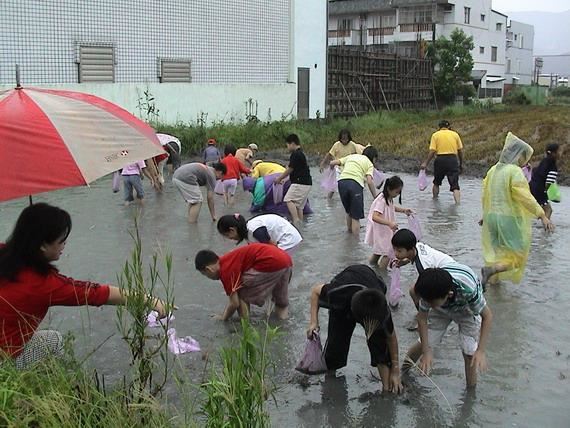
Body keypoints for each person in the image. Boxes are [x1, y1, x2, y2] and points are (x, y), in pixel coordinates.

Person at [0, 203, 167, 369]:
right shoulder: (43, 284)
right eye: (61, 240)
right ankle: (62, 389)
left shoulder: (4, 253)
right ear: (43, 245)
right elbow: (96, 293)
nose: (64, 244)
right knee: (53, 340)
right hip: (4, 361)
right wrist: (149, 300)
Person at [307, 265, 403, 393]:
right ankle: (330, 378)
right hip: (346, 294)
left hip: (371, 283)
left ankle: (386, 388)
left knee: (379, 344)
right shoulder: (337, 293)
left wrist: (395, 371)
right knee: (336, 343)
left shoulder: (381, 309)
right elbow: (315, 291)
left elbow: (391, 338)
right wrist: (314, 322)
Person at [480, 132, 554, 286]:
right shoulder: (514, 172)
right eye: (523, 156)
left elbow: (485, 194)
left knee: (497, 254)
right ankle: (490, 272)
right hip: (508, 219)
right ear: (517, 155)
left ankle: (493, 292)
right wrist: (542, 215)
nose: (523, 161)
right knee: (518, 257)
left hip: (491, 217)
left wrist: (485, 215)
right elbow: (525, 197)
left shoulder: (493, 170)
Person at [403, 265, 493, 388]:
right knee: (425, 342)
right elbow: (422, 318)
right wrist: (426, 351)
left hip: (467, 309)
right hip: (440, 308)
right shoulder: (429, 292)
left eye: (431, 303)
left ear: (448, 294)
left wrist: (481, 351)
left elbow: (487, 316)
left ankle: (470, 392)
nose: (428, 305)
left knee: (470, 352)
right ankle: (402, 373)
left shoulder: (468, 290)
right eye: (426, 302)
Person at [195, 243, 292, 320]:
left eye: (205, 274)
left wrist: (223, 317)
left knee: (240, 292)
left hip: (271, 262)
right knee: (281, 302)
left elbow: (234, 303)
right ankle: (283, 323)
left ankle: (245, 327)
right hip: (286, 260)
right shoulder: (228, 259)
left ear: (208, 269)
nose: (208, 277)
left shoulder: (226, 271)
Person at [391, 228, 456, 330]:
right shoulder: (417, 246)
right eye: (394, 249)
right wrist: (405, 261)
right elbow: (412, 256)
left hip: (448, 277)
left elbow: (429, 285)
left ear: (410, 249)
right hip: (449, 270)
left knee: (416, 292)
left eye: (399, 251)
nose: (396, 254)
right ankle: (424, 315)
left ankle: (426, 318)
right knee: (415, 291)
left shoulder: (423, 265)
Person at [364, 176, 413, 269]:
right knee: (388, 253)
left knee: (378, 253)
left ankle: (370, 268)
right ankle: (382, 274)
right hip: (382, 232)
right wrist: (389, 223)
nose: (398, 194)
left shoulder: (388, 198)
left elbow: (390, 208)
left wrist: (404, 210)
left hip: (383, 231)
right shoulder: (381, 200)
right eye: (397, 192)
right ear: (389, 189)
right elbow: (375, 216)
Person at [330, 146, 378, 234]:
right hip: (355, 184)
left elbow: (333, 162)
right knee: (356, 217)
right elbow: (369, 181)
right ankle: (355, 244)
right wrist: (375, 196)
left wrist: (331, 170)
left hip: (342, 183)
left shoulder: (352, 156)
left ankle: (349, 237)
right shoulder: (369, 164)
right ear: (374, 158)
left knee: (349, 212)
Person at [420, 120, 463, 204]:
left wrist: (425, 163)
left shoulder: (435, 135)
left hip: (440, 159)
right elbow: (460, 151)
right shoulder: (455, 134)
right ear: (449, 127)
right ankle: (458, 204)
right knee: (455, 186)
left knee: (436, 182)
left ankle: (435, 201)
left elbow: (432, 151)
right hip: (452, 159)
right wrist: (461, 164)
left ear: (439, 127)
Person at [217, 213, 302, 254]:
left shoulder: (255, 230)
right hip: (285, 237)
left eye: (228, 235)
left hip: (288, 239)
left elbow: (272, 248)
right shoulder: (247, 231)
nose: (230, 239)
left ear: (232, 230)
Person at [275, 134, 312, 224]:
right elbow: (295, 171)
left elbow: (290, 169)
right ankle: (300, 226)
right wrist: (285, 179)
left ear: (292, 143)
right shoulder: (300, 153)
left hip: (300, 183)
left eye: (287, 145)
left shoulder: (295, 154)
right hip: (307, 183)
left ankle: (295, 221)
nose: (287, 147)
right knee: (299, 206)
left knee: (288, 199)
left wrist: (279, 178)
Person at [320, 129, 359, 199]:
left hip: (348, 168)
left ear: (349, 138)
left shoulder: (352, 145)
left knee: (348, 184)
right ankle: (329, 200)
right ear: (340, 138)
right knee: (334, 186)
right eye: (343, 138)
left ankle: (347, 198)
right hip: (337, 168)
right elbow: (329, 154)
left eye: (346, 138)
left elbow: (357, 155)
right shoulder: (336, 145)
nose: (344, 140)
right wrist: (322, 164)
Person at [530, 143, 563, 220]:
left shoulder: (544, 161)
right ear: (554, 153)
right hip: (540, 190)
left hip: (532, 187)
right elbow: (549, 182)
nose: (560, 153)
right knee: (548, 210)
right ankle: (547, 228)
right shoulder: (553, 166)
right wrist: (545, 191)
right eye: (559, 151)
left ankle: (538, 225)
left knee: (541, 211)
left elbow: (535, 172)